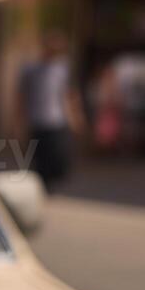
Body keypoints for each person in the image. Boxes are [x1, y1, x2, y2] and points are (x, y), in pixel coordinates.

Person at [17, 29, 84, 189]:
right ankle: (43, 187)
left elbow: (70, 95)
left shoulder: (63, 70)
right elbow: (20, 97)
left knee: (57, 158)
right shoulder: (31, 70)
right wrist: (18, 122)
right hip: (37, 121)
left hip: (57, 121)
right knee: (39, 161)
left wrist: (76, 118)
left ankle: (51, 184)